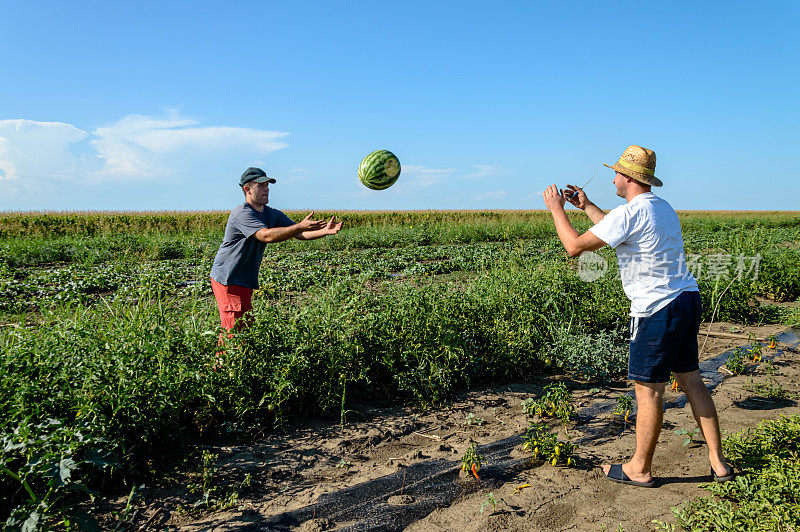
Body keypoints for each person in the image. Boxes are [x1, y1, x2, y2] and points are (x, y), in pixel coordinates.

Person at [542, 145, 734, 487]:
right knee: (691, 379)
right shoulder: (661, 208)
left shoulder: (628, 214)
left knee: (648, 391)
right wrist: (586, 206)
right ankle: (718, 463)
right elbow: (614, 231)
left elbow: (573, 246)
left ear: (629, 178)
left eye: (617, 173)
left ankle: (639, 469)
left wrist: (557, 209)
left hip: (656, 308)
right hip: (686, 299)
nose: (613, 178)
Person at [210, 167, 343, 338]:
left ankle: (239, 363)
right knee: (234, 331)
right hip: (229, 279)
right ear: (247, 189)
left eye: (267, 185)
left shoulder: (270, 214)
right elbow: (266, 235)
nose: (266, 189)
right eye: (261, 185)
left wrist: (325, 231)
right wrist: (299, 226)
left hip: (243, 279)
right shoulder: (242, 213)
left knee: (245, 327)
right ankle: (222, 365)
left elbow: (299, 233)